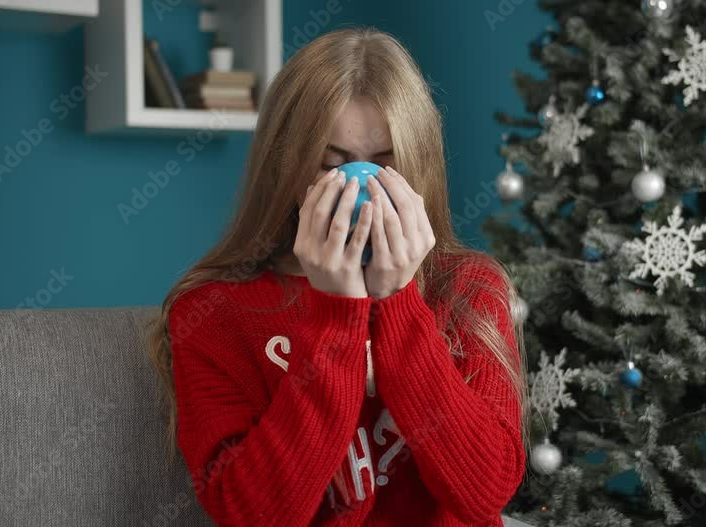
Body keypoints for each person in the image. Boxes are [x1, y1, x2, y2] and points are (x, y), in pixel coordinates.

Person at [147, 27, 529, 526]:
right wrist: (337, 316)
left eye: (386, 166)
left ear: (419, 169)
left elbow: (483, 494)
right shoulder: (214, 310)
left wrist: (398, 302)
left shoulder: (468, 287)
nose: (362, 188)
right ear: (287, 170)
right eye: (334, 164)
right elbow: (255, 515)